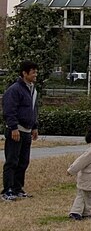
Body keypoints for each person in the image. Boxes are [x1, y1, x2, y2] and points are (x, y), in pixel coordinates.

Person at [2, 61, 40, 202]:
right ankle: (8, 190)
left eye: (36, 72)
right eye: (33, 72)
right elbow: (9, 110)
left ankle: (18, 188)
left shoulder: (33, 90)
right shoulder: (15, 89)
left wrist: (34, 126)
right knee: (12, 161)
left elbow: (33, 110)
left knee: (23, 161)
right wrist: (13, 127)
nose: (35, 75)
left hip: (27, 130)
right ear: (24, 73)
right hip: (16, 130)